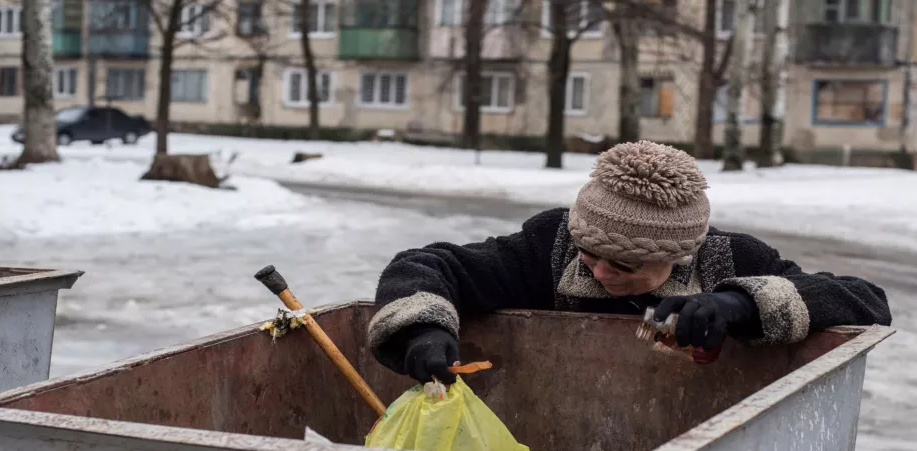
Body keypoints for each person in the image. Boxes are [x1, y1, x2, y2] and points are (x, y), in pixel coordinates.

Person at [367, 141, 893, 383]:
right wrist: (423, 329)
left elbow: (866, 300)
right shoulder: (549, 247)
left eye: (622, 267)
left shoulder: (730, 258)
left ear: (677, 254)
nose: (599, 273)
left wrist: (738, 303)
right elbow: (430, 264)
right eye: (591, 257)